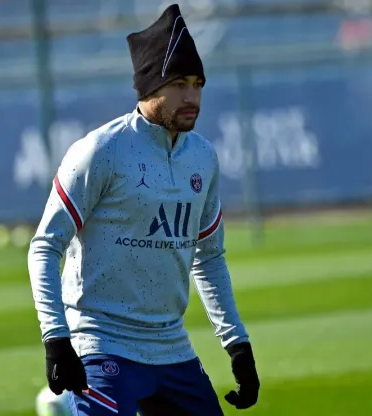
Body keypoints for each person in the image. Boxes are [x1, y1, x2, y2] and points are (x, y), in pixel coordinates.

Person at [28, 4, 259, 415]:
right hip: (100, 345)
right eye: (180, 84)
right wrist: (56, 339)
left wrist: (237, 344)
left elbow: (209, 258)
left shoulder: (203, 158)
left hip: (173, 350)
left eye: (198, 84)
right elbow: (45, 247)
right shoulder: (100, 151)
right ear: (150, 87)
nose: (192, 97)